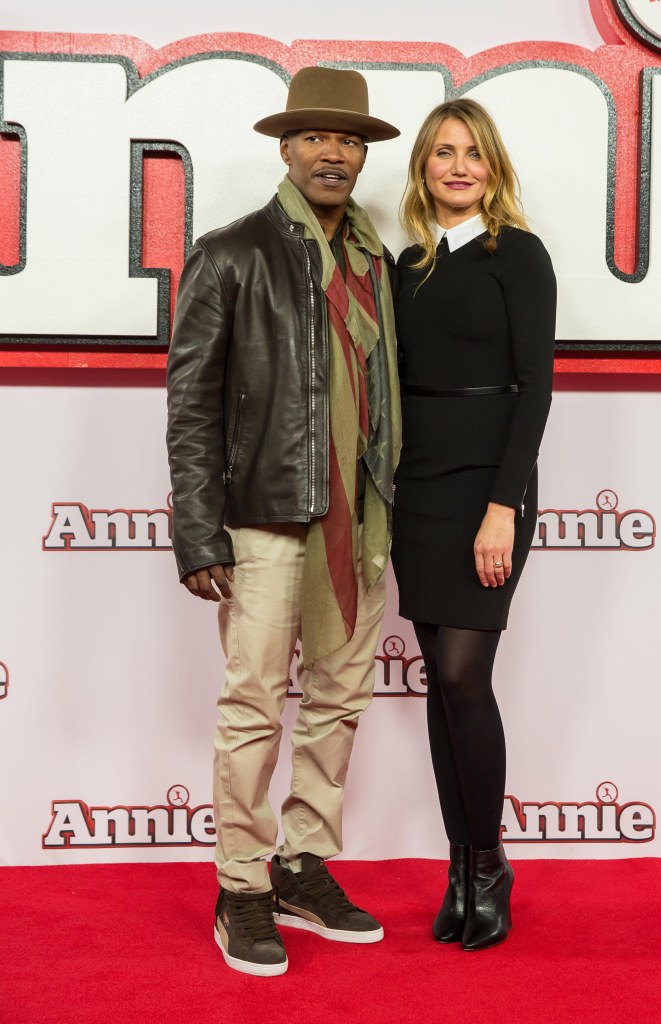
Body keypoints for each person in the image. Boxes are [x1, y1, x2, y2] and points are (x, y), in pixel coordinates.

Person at [166, 66, 401, 977]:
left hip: (362, 518)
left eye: (348, 140)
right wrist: (197, 530)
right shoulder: (233, 253)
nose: (333, 152)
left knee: (339, 700)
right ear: (287, 148)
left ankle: (304, 866)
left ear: (361, 154)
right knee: (256, 702)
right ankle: (241, 886)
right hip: (265, 515)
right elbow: (191, 404)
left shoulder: (377, 261)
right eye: (315, 137)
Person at [392, 98, 556, 951]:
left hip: (489, 488)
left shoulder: (517, 256)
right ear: (422, 166)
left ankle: (489, 864)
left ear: (493, 168)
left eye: (474, 154)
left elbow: (536, 390)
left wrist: (503, 504)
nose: (458, 167)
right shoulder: (406, 263)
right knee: (438, 682)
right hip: (417, 488)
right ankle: (460, 865)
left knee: (463, 677)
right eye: (442, 153)